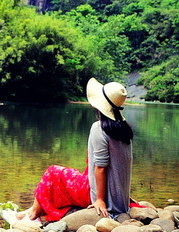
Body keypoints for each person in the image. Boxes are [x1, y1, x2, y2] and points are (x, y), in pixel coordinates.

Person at [17, 77, 134, 222]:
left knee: (53, 172)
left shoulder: (99, 128)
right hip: (120, 200)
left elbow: (101, 168)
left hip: (101, 196)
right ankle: (28, 212)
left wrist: (99, 200)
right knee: (70, 176)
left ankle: (32, 215)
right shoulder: (124, 129)